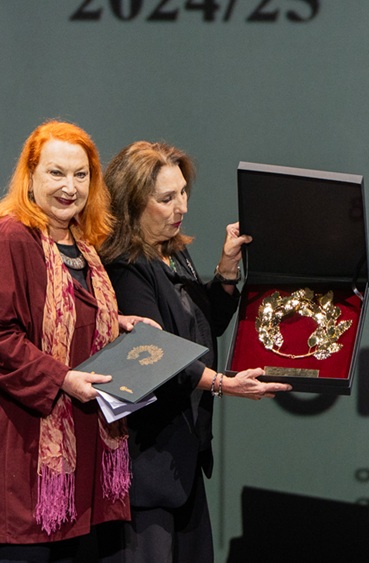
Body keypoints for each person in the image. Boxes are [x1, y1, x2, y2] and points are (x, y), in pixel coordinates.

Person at [100, 140, 292, 563]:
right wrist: (222, 384)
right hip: (145, 468)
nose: (181, 207)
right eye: (167, 198)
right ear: (133, 203)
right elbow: (154, 355)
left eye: (183, 192)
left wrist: (227, 270)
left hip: (183, 460)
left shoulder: (172, 251)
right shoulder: (124, 263)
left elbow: (203, 330)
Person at [0, 121, 157, 563]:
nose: (70, 187)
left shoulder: (83, 242)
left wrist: (114, 321)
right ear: (30, 176)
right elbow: (4, 335)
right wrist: (63, 378)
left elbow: (61, 314)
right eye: (56, 173)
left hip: (83, 458)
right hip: (29, 452)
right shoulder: (13, 236)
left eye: (81, 174)